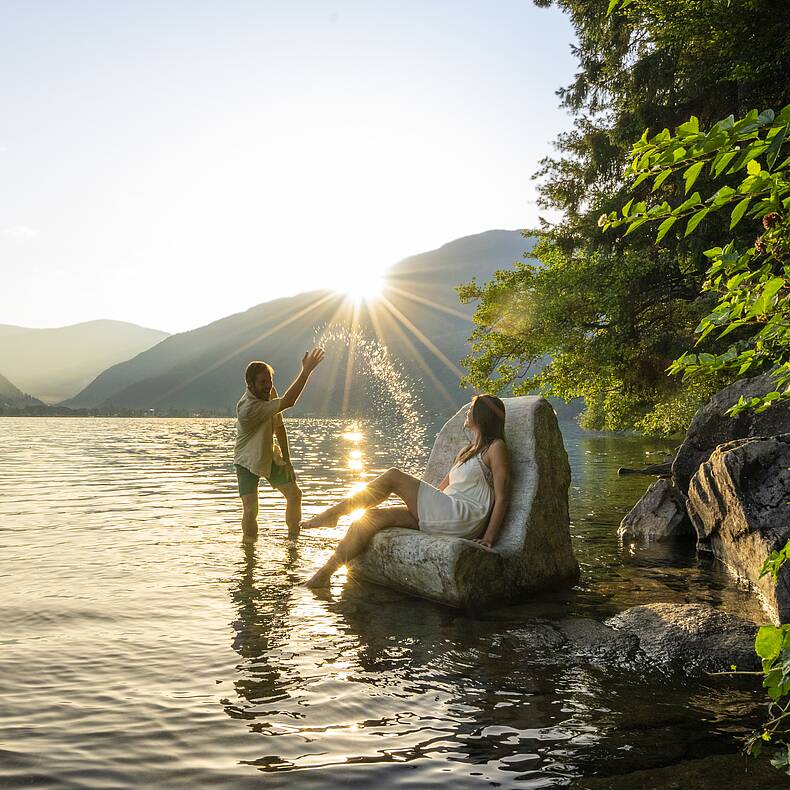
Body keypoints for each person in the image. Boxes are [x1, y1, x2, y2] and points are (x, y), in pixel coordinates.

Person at [303, 394, 510, 587]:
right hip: (445, 512)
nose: (467, 411)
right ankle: (325, 574)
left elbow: (502, 497)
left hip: (463, 516)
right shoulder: (466, 451)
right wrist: (416, 505)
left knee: (394, 476)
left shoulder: (495, 448)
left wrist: (489, 538)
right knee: (368, 519)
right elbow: (441, 489)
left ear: (482, 415)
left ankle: (332, 514)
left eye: (472, 408)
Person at [234, 348, 325, 540]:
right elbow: (289, 401)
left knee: (295, 495)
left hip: (269, 455)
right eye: (262, 382)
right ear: (249, 385)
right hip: (246, 461)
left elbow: (279, 427)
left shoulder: (269, 392)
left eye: (270, 380)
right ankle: (249, 549)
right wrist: (306, 371)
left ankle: (293, 540)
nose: (268, 386)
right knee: (251, 509)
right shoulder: (248, 409)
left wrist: (287, 459)